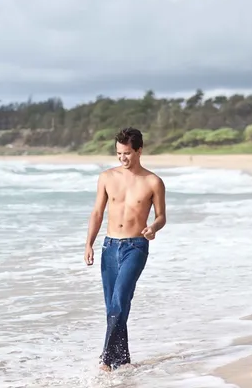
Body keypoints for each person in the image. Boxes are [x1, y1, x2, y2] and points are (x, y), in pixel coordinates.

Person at [84, 127, 167, 372]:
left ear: (139, 151)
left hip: (135, 246)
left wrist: (153, 228)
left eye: (128, 153)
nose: (123, 158)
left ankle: (106, 360)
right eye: (119, 153)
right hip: (110, 246)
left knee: (120, 299)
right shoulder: (107, 177)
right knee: (113, 306)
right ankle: (123, 360)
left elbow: (161, 216)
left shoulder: (153, 181)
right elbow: (97, 213)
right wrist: (89, 243)